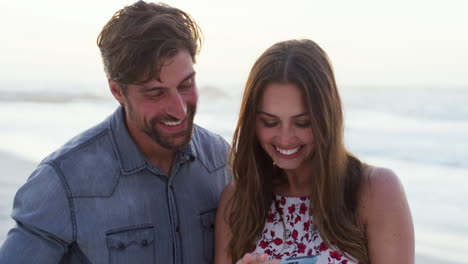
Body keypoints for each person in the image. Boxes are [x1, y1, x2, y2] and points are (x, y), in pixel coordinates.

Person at [0, 1, 231, 263]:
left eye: (186, 84)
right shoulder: (62, 182)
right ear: (118, 91)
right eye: (156, 93)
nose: (179, 110)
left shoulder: (221, 161)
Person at [214, 39, 414, 264]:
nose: (286, 138)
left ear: (326, 118)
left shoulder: (375, 190)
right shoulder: (237, 200)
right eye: (270, 122)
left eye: (303, 123)